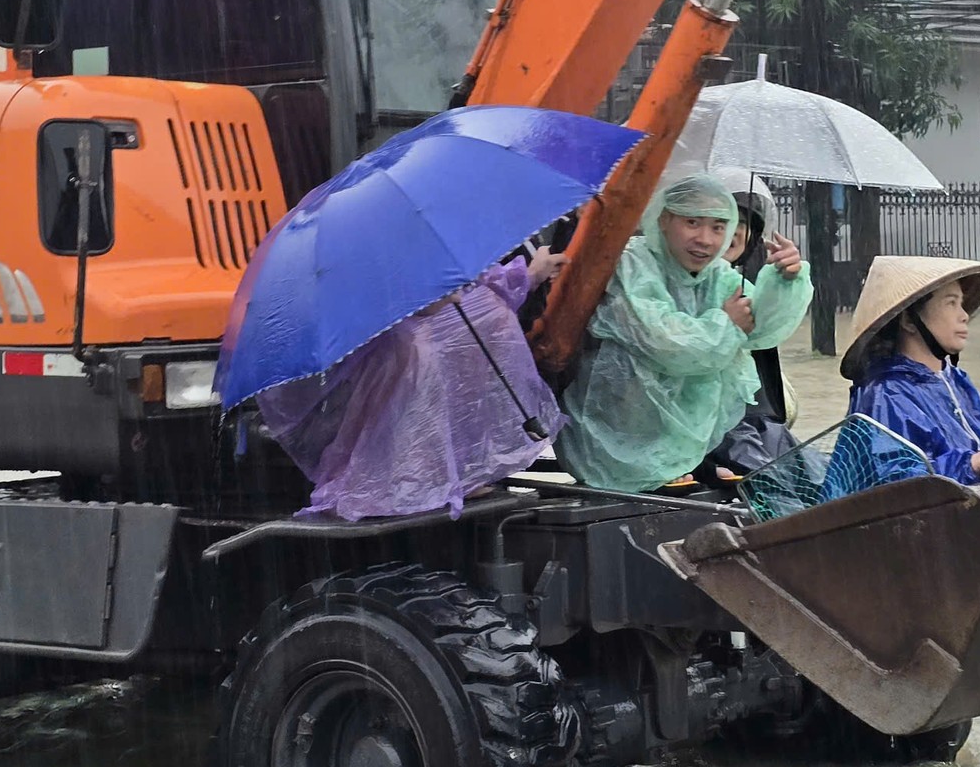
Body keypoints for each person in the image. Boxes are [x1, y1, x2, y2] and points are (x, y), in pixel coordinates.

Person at [254, 246, 568, 520]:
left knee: (476, 320)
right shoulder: (399, 340)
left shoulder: (413, 315)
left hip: (403, 356)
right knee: (417, 353)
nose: (457, 292)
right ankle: (426, 476)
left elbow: (475, 298)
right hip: (389, 457)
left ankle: (448, 472)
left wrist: (528, 276)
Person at [559, 172, 812, 493]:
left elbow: (758, 328)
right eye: (692, 223)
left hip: (680, 443)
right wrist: (726, 324)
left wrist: (785, 280)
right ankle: (647, 465)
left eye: (719, 227)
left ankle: (687, 459)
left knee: (730, 357)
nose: (705, 239)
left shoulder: (716, 274)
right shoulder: (632, 263)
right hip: (615, 434)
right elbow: (663, 341)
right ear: (664, 220)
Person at [829, 255, 980, 496]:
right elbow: (900, 486)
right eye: (950, 303)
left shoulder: (954, 380)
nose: (964, 315)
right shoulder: (886, 392)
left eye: (962, 303)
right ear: (909, 321)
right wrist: (978, 461)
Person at [702, 168, 799, 476]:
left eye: (739, 223)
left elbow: (766, 328)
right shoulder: (669, 284)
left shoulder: (740, 280)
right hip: (708, 431)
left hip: (754, 420)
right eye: (717, 222)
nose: (730, 231)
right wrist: (722, 324)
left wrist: (788, 280)